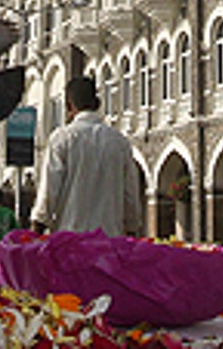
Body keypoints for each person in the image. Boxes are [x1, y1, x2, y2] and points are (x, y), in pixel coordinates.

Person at [30, 77, 141, 237]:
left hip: (70, 240)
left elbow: (49, 192)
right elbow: (130, 194)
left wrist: (36, 231)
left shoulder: (62, 138)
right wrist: (131, 229)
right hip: (108, 241)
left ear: (68, 105)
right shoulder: (119, 142)